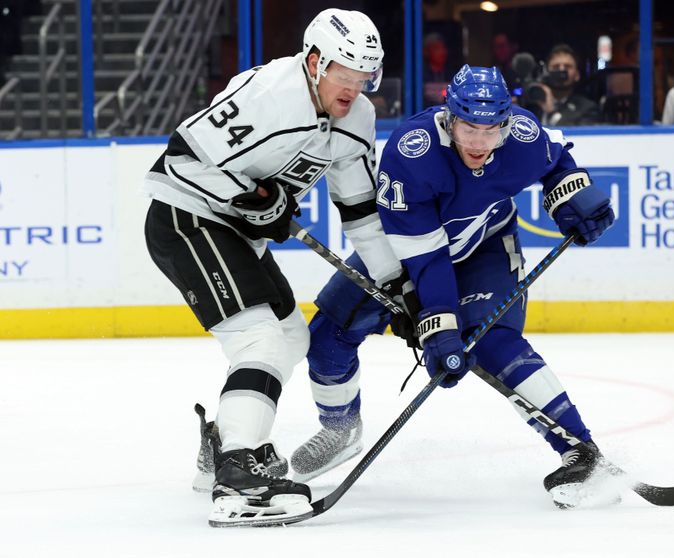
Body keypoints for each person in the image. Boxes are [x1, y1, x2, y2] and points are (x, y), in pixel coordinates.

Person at [292, 65, 618, 509]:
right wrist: (439, 324)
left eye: (491, 129)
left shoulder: (521, 135)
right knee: (328, 335)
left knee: (494, 340)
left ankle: (580, 451)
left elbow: (556, 159)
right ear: (449, 117)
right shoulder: (413, 153)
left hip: (485, 245)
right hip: (403, 255)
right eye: (469, 127)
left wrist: (571, 194)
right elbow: (426, 260)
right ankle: (339, 427)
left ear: (506, 121)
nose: (480, 142)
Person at [143, 8, 403, 527]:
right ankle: (238, 470)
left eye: (363, 78)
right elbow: (178, 163)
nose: (353, 89)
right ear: (314, 61)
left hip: (236, 233)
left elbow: (360, 214)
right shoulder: (269, 95)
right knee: (259, 338)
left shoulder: (359, 119)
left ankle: (225, 442)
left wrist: (395, 284)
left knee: (289, 338)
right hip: (186, 217)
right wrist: (249, 199)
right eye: (343, 75)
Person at [532, 44, 600, 126]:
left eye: (567, 67)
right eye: (556, 67)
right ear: (546, 72)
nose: (561, 70)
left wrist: (551, 113)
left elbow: (579, 136)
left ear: (577, 75)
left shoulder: (588, 109)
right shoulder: (532, 105)